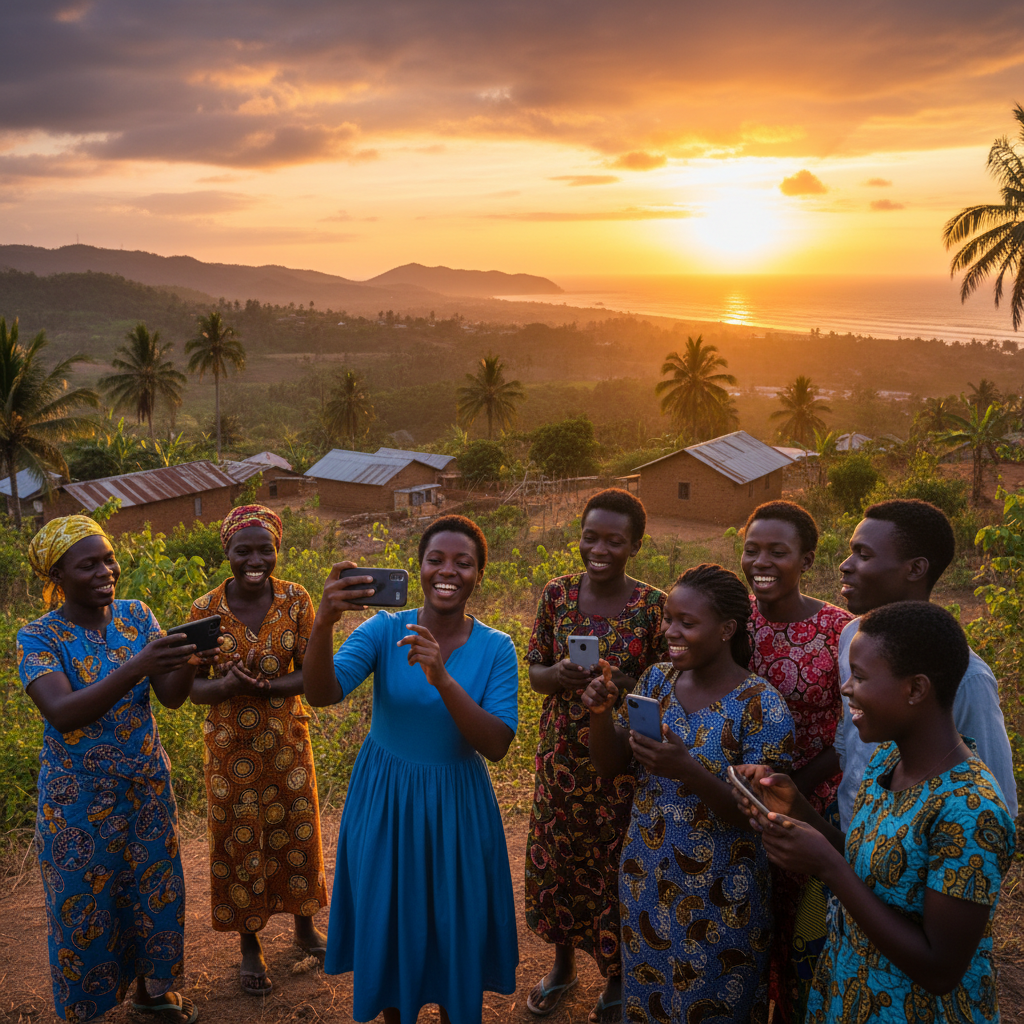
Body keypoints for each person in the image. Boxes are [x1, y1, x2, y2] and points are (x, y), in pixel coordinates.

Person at [734, 601, 1016, 1022]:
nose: (846, 689)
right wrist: (798, 810)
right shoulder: (887, 761)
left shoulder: (971, 810)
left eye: (860, 677)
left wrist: (828, 868)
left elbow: (940, 969)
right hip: (850, 992)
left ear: (916, 689)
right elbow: (872, 866)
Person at [303, 514, 519, 1024]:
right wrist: (322, 622)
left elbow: (496, 744)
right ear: (419, 568)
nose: (448, 571)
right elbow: (322, 693)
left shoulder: (496, 647)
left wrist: (441, 678)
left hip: (457, 806)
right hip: (386, 799)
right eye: (436, 560)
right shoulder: (383, 629)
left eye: (463, 562)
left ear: (479, 575)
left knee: (453, 922)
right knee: (391, 915)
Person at [17, 516, 213, 1024]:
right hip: (77, 802)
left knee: (153, 891)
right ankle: (87, 1010)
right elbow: (63, 713)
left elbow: (170, 700)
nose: (107, 570)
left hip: (145, 786)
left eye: (108, 558)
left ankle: (150, 992)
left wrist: (193, 661)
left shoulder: (135, 616)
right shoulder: (38, 636)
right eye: (89, 564)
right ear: (57, 575)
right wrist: (138, 666)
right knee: (85, 905)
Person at [584, 563, 795, 1024]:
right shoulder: (658, 681)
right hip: (647, 878)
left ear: (726, 630)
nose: (671, 632)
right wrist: (601, 714)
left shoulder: (761, 704)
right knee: (651, 996)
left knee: (715, 1004)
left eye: (687, 623)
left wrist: (687, 770)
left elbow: (765, 816)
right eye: (668, 619)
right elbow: (612, 765)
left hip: (723, 894)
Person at [525, 489, 667, 1024]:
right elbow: (535, 668)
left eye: (614, 540)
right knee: (560, 858)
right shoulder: (558, 594)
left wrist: (615, 679)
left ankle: (616, 977)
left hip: (623, 762)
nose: (599, 549)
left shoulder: (654, 606)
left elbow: (661, 684)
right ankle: (562, 967)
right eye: (591, 537)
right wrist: (558, 675)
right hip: (563, 756)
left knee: (615, 867)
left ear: (635, 544)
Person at [188, 504, 328, 995]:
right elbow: (192, 688)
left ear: (277, 551)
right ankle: (251, 945)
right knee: (240, 839)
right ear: (225, 551)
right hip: (230, 751)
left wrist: (267, 688)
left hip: (287, 742)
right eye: (243, 550)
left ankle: (305, 926)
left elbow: (311, 674)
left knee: (296, 831)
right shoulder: (205, 610)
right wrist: (226, 686)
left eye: (265, 549)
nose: (255, 559)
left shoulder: (296, 600)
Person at [835, 499, 1017, 828]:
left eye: (864, 555)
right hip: (852, 837)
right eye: (851, 552)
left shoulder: (967, 679)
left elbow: (996, 803)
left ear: (916, 569)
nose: (845, 565)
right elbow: (850, 744)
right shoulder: (852, 636)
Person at [740, 500, 851, 1023]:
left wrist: (794, 792)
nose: (761, 561)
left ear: (806, 559)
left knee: (805, 936)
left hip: (815, 809)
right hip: (739, 801)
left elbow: (855, 731)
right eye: (752, 549)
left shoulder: (841, 631)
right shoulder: (732, 620)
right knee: (746, 924)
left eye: (777, 552)